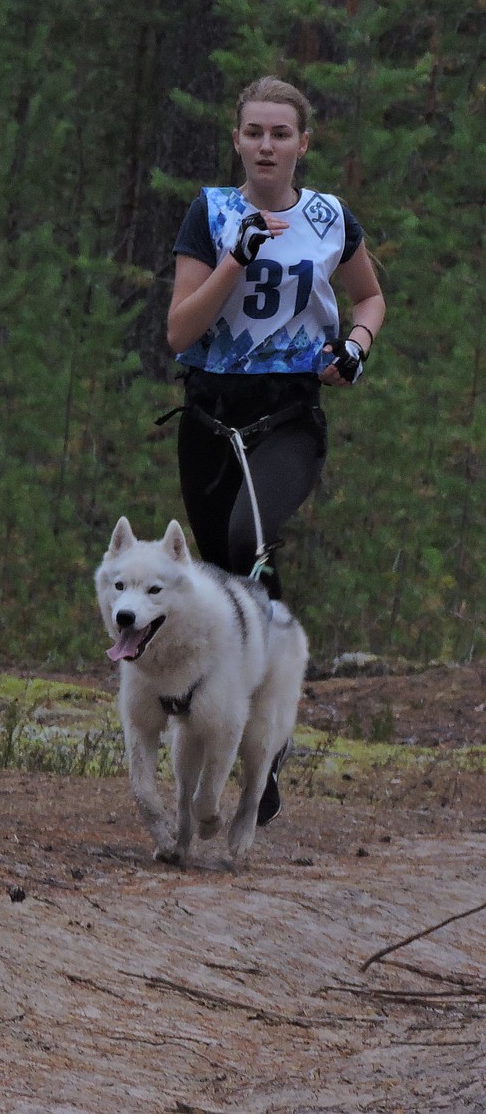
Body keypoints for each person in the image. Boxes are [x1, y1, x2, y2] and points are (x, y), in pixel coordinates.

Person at [167, 75, 386, 824]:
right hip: (208, 419)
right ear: (237, 140)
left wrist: (355, 349)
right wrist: (235, 259)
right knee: (223, 582)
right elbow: (178, 332)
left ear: (302, 144)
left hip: (288, 415)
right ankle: (248, 741)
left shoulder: (329, 218)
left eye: (280, 134)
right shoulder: (212, 212)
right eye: (254, 132)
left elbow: (371, 298)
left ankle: (274, 717)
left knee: (246, 542)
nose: (267, 145)